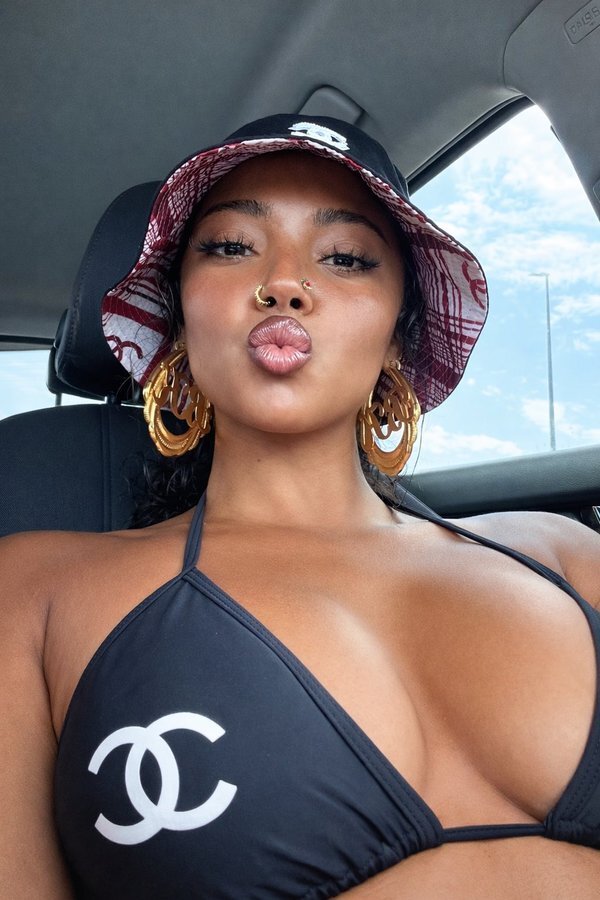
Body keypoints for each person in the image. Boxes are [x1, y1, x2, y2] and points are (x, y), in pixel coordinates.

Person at [1, 115, 598, 899]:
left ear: (399, 332)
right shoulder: (33, 593)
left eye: (345, 257)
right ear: (179, 318)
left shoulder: (564, 555)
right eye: (231, 247)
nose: (284, 283)